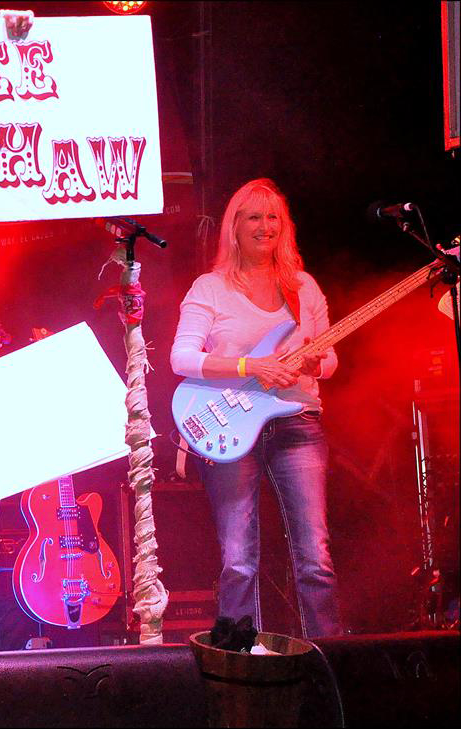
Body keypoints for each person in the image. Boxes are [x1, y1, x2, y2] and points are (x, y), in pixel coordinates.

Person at [170, 178, 344, 638]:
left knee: (316, 556)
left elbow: (329, 361)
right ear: (234, 227)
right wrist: (252, 366)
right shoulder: (211, 288)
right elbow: (181, 358)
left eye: (273, 217)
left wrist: (315, 362)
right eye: (253, 217)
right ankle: (239, 657)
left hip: (297, 423)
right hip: (230, 424)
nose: (265, 226)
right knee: (238, 560)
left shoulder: (303, 287)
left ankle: (330, 657)